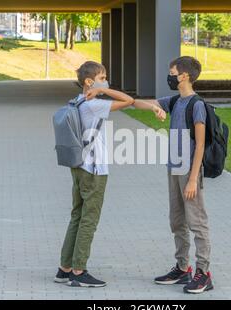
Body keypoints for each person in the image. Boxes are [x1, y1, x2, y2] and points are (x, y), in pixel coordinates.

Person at [55, 61, 166, 287]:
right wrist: (103, 90)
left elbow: (133, 103)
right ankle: (78, 271)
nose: (106, 80)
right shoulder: (93, 104)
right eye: (103, 77)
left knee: (77, 216)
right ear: (89, 82)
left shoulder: (77, 101)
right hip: (94, 170)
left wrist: (153, 107)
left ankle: (65, 268)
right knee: (89, 220)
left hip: (79, 167)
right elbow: (127, 100)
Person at [133, 56, 214, 294]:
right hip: (174, 167)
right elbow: (143, 104)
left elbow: (200, 145)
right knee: (177, 220)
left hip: (189, 171)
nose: (169, 76)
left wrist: (192, 179)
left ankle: (203, 273)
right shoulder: (175, 101)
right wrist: (122, 99)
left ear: (184, 76)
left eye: (172, 72)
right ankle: (182, 267)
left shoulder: (196, 105)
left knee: (197, 222)